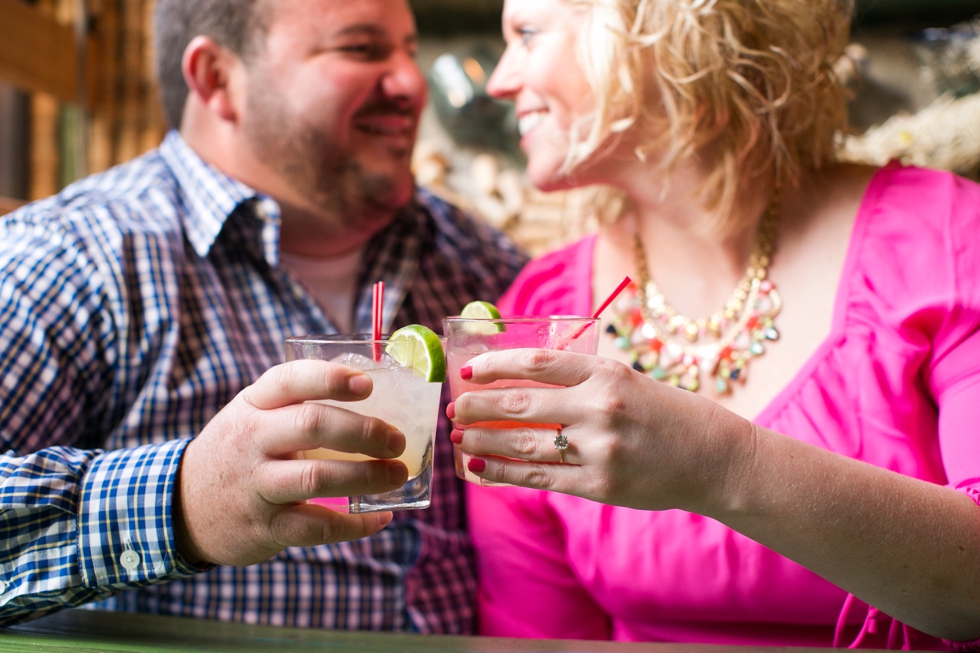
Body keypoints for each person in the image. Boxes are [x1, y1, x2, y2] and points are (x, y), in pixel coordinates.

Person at [449, 0, 980, 648]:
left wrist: (722, 465)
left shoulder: (947, 238)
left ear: (664, 31)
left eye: (528, 34)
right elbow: (536, 634)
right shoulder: (542, 308)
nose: (499, 81)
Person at [0, 0, 527, 631]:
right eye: (361, 49)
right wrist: (185, 505)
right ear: (218, 79)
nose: (412, 82)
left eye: (408, 51)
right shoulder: (75, 260)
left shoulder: (483, 263)